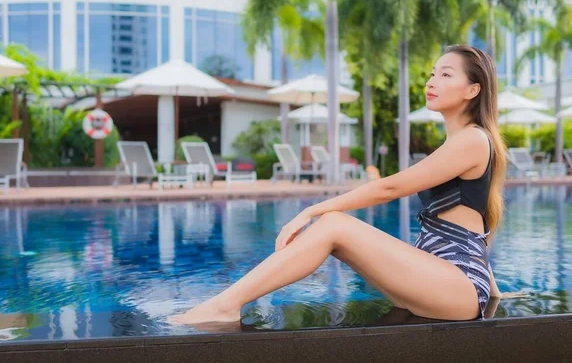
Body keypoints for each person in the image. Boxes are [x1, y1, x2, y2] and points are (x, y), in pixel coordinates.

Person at [169, 45, 506, 325]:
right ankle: (226, 303)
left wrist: (310, 210)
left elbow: (388, 189)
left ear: (473, 90)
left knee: (333, 225)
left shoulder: (473, 140)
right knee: (335, 233)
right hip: (442, 280)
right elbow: (477, 221)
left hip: (456, 285)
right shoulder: (461, 141)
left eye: (446, 74)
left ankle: (226, 305)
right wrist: (494, 293)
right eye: (433, 72)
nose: (432, 81)